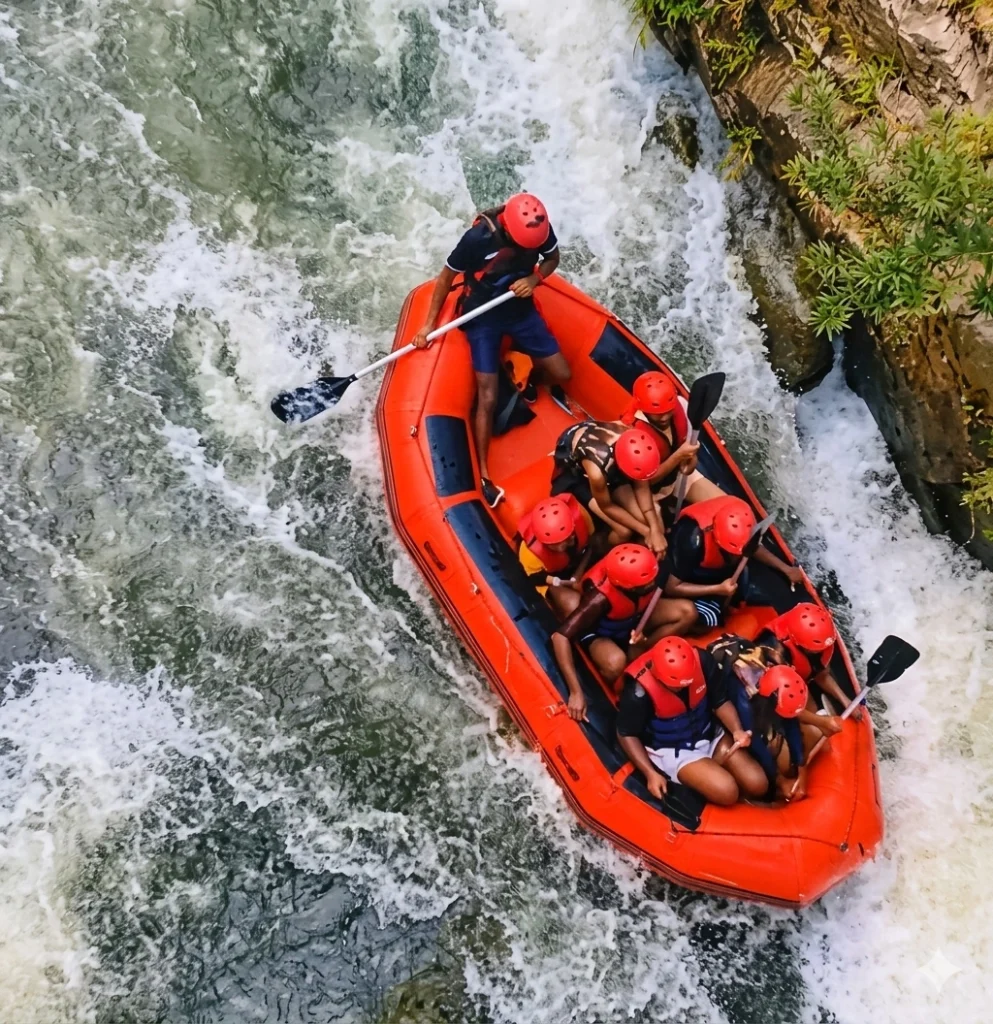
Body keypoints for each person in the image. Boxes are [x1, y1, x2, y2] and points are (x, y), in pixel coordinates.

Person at [412, 194, 571, 508]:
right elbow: (446, 278)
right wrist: (428, 325)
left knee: (562, 373)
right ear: (509, 231)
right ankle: (484, 473)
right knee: (487, 396)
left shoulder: (539, 228)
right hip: (481, 314)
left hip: (518, 308)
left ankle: (520, 374)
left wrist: (534, 278)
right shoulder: (478, 239)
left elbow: (552, 260)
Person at [616, 636, 768, 805]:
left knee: (758, 784)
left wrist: (736, 730)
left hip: (709, 734)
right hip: (674, 750)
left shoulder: (702, 661)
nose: (685, 687)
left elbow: (720, 701)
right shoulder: (638, 692)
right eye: (678, 685)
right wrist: (650, 773)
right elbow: (626, 733)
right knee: (727, 791)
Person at [552, 544, 697, 719]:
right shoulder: (598, 599)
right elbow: (559, 637)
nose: (653, 582)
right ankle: (621, 681)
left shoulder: (649, 567)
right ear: (627, 586)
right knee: (616, 663)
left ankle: (642, 648)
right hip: (602, 631)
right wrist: (575, 692)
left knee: (688, 612)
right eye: (647, 583)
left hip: (636, 617)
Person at [664, 495, 804, 630]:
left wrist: (786, 569)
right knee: (707, 621)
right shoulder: (692, 539)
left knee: (738, 593)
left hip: (718, 572)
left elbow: (752, 547)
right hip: (691, 573)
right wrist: (718, 589)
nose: (737, 557)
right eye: (732, 553)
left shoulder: (743, 519)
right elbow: (671, 587)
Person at [551, 422, 667, 555]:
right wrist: (647, 532)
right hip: (574, 474)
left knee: (652, 517)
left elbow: (642, 488)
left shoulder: (635, 442)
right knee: (624, 531)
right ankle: (598, 551)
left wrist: (654, 529)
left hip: (610, 457)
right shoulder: (597, 473)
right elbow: (606, 506)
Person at [620, 371, 724, 508]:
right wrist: (678, 455)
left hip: (676, 478)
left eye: (668, 411)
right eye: (658, 414)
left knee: (726, 504)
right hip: (647, 492)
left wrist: (692, 460)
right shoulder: (632, 433)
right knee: (658, 527)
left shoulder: (682, 405)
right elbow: (646, 483)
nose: (664, 418)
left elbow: (687, 447)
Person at [756, 602, 850, 746]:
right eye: (815, 650)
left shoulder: (816, 644)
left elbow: (820, 673)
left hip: (795, 681)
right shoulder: (774, 654)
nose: (820, 652)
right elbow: (782, 703)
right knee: (817, 737)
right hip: (771, 696)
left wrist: (846, 701)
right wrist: (822, 722)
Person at [722, 658, 811, 800]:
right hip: (739, 704)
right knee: (760, 783)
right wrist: (780, 781)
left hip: (761, 696)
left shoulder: (780, 676)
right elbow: (756, 744)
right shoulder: (745, 701)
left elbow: (791, 722)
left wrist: (802, 769)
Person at [517, 495, 597, 619]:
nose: (560, 547)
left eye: (565, 540)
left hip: (578, 562)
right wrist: (562, 583)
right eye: (554, 544)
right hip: (550, 578)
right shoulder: (529, 551)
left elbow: (592, 543)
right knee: (573, 604)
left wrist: (577, 575)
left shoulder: (579, 515)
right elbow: (534, 579)